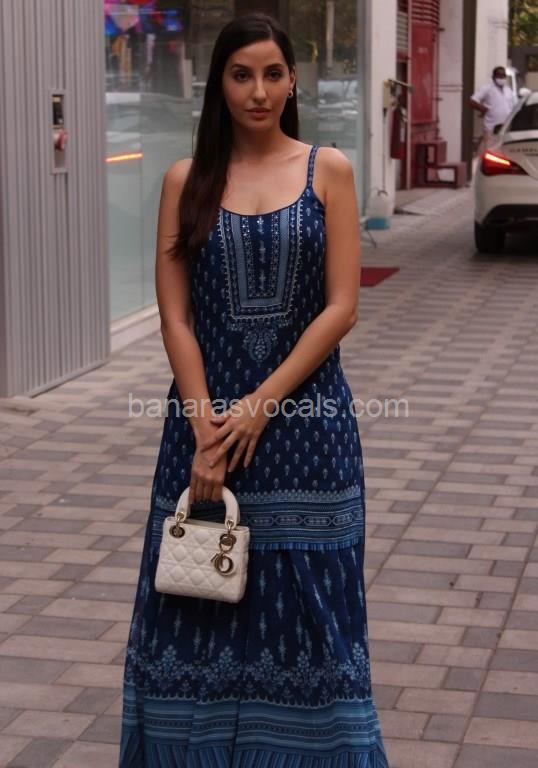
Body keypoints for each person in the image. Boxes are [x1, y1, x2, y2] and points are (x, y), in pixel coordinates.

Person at [118, 11, 389, 767]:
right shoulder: (186, 181)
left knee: (313, 611)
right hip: (203, 425)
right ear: (220, 85)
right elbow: (175, 316)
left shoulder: (328, 169)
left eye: (272, 74)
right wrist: (208, 430)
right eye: (241, 75)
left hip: (307, 428)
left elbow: (342, 308)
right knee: (192, 604)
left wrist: (258, 408)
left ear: (293, 80)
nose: (258, 91)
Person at [470, 65, 517, 150]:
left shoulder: (508, 90)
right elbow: (473, 101)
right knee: (491, 152)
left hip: (506, 129)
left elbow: (513, 106)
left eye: (503, 75)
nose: (502, 78)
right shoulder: (487, 89)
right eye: (499, 75)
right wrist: (483, 109)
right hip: (491, 129)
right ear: (493, 77)